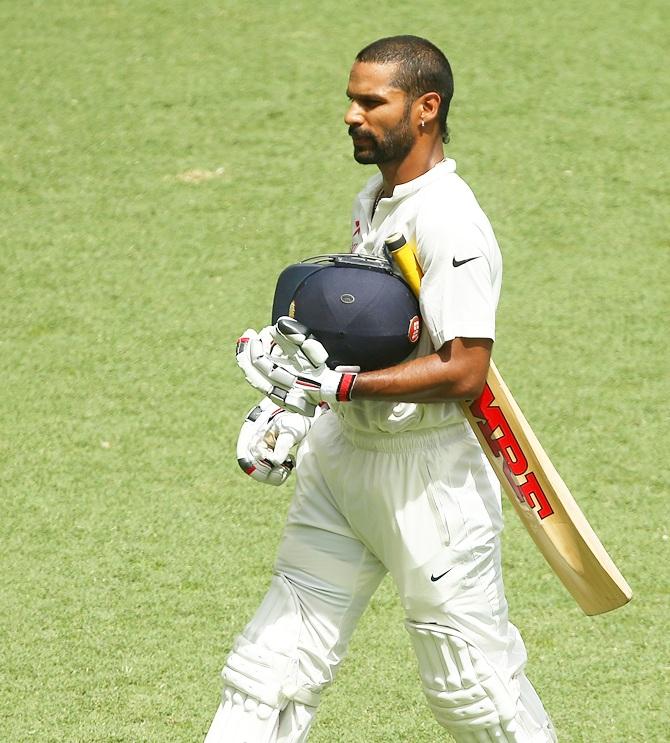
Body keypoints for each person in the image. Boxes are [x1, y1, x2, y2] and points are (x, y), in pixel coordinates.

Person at [205, 35, 557, 742]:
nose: (351, 114)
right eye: (351, 98)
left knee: (474, 692)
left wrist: (340, 383)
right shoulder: (377, 200)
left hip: (428, 480)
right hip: (342, 463)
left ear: (425, 109)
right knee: (265, 671)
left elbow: (464, 369)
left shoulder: (451, 222)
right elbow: (370, 328)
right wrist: (295, 388)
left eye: (372, 101)